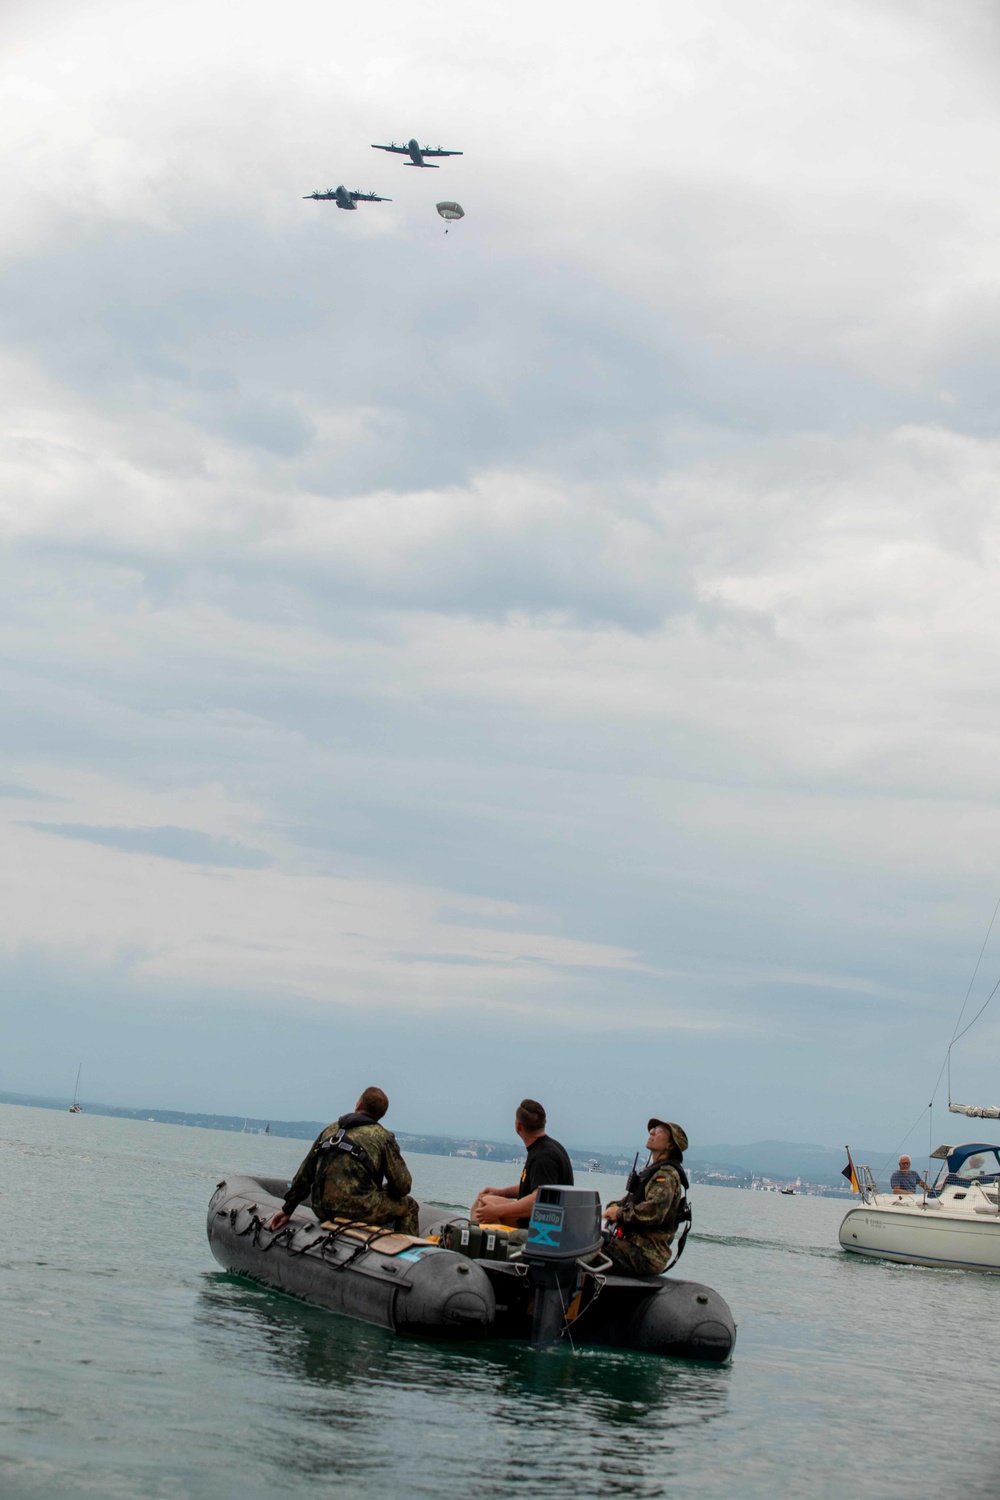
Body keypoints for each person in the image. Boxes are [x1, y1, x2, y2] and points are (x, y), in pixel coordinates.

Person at [268, 1086, 419, 1236]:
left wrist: (287, 1209)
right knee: (410, 1206)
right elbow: (403, 1186)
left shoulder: (330, 1130)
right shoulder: (383, 1137)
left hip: (321, 1209)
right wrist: (386, 1190)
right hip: (358, 1210)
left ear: (358, 1104)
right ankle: (409, 1256)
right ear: (381, 1115)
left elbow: (304, 1174)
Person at [603, 1119, 689, 1277]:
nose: (652, 1132)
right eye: (653, 1129)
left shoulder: (666, 1175)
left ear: (670, 1145)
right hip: (632, 1246)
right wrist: (612, 1208)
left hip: (645, 1254)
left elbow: (654, 1211)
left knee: (588, 1252)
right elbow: (629, 1201)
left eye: (660, 1132)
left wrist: (620, 1213)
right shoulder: (653, 1171)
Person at [471, 1099, 573, 1228]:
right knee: (485, 1199)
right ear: (544, 1123)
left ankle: (482, 1243)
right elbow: (535, 1186)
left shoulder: (544, 1157)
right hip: (541, 1220)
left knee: (484, 1204)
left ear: (518, 1126)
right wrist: (502, 1192)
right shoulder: (549, 1148)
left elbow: (537, 1200)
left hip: (543, 1228)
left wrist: (496, 1211)